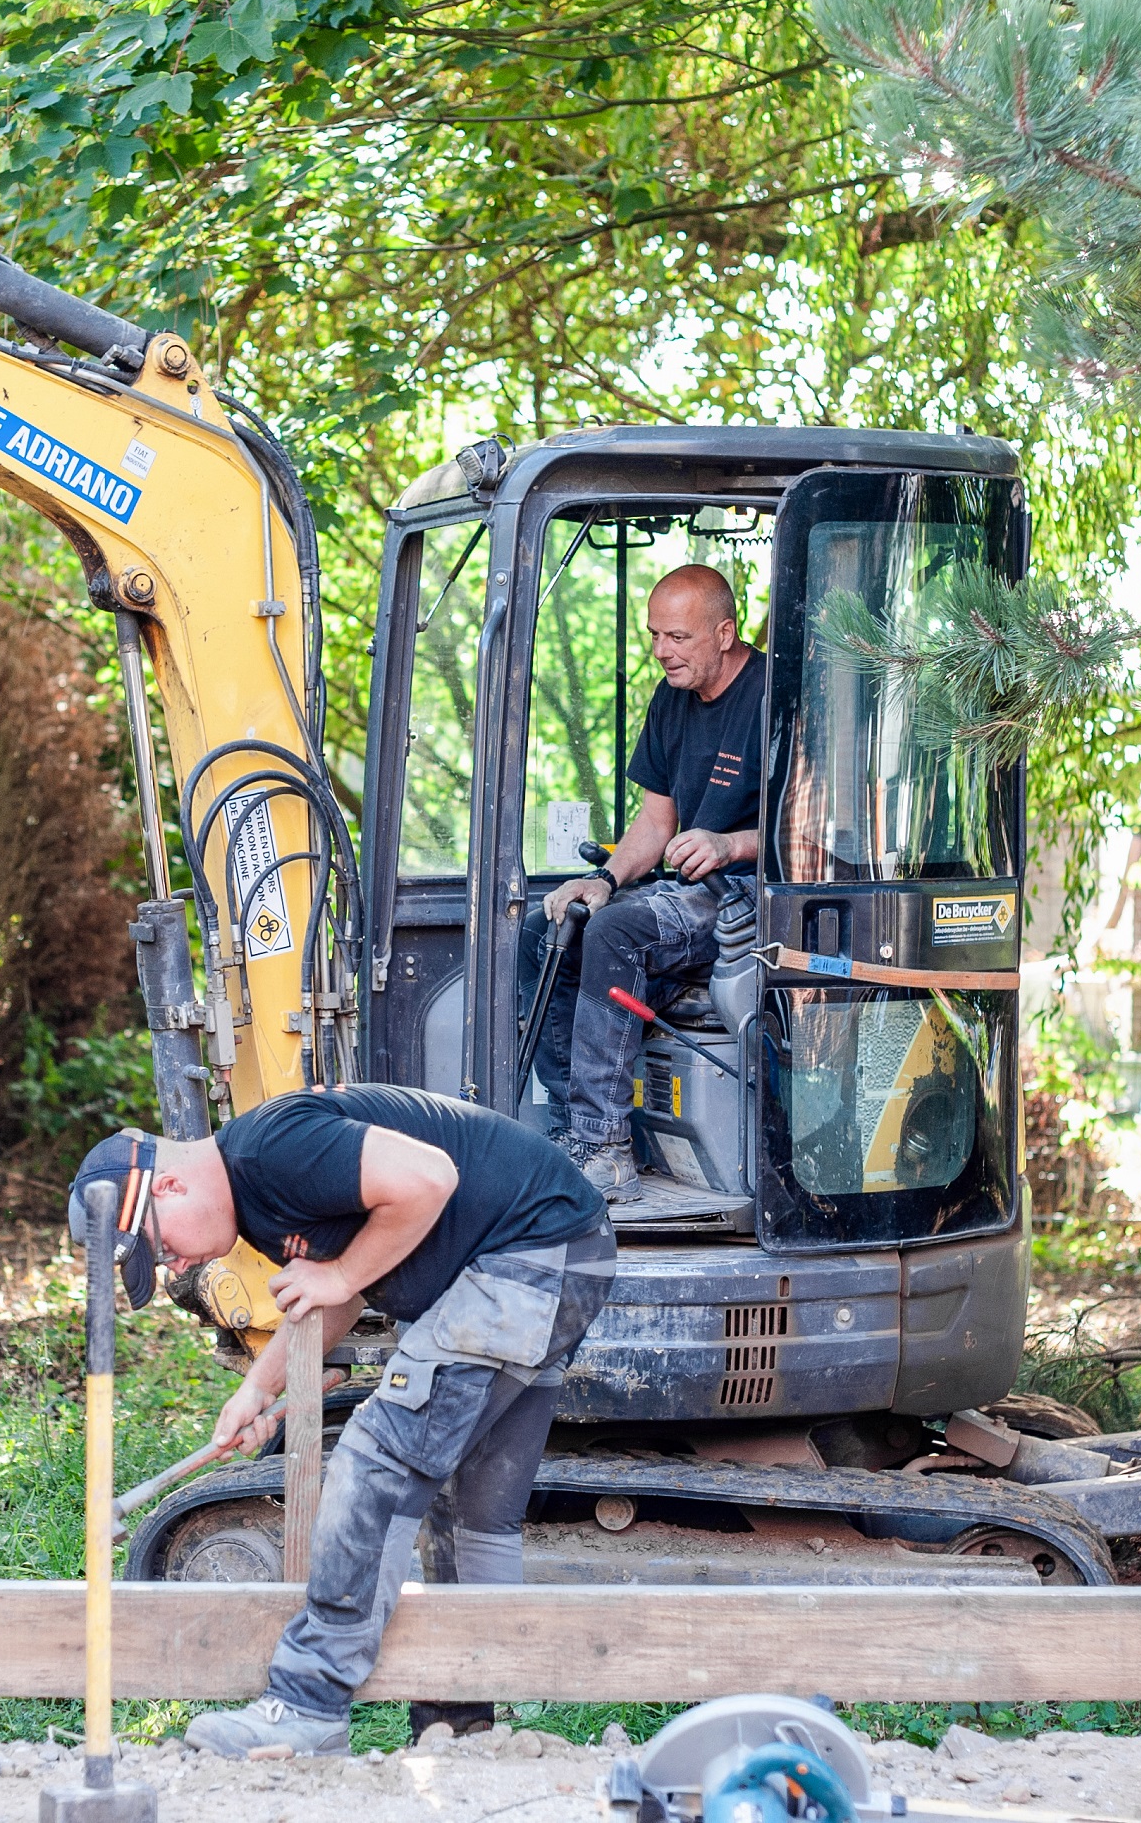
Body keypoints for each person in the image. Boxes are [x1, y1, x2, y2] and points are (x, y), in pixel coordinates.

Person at [66, 1085, 615, 1757]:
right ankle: (465, 1729)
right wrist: (258, 1394)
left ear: (171, 1185)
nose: (176, 1265)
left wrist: (340, 1274)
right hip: (559, 1256)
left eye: (161, 1249)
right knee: (471, 1510)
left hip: (527, 1257)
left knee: (373, 1461)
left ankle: (308, 1703)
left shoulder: (270, 1151)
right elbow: (343, 1289)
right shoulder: (259, 1198)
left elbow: (427, 1180)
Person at [527, 562, 764, 1198]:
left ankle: (605, 1149)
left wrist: (727, 842)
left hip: (751, 898)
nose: (661, 652)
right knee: (550, 927)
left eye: (677, 638)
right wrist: (603, 877)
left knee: (617, 933)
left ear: (724, 632)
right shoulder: (672, 699)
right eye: (655, 636)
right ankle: (571, 1126)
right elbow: (656, 822)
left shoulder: (775, 698)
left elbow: (817, 834)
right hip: (685, 890)